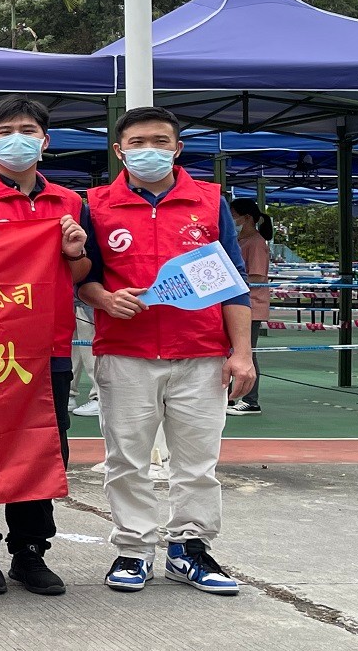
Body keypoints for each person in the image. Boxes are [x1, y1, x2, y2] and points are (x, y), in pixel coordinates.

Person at [78, 106, 256, 595]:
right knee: (126, 460)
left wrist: (242, 353)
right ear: (119, 151)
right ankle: (133, 550)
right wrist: (104, 299)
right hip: (125, 352)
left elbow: (233, 283)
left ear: (177, 148)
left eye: (160, 141)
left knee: (197, 462)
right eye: (137, 142)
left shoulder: (209, 201)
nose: (149, 150)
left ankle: (189, 549)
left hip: (201, 353)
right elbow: (82, 277)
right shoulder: (96, 205)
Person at [0, 95, 91, 596]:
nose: (18, 139)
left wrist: (73, 252)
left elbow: (82, 272)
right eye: (5, 131)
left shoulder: (70, 202)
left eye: (28, 130)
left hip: (46, 348)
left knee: (43, 447)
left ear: (45, 141)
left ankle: (30, 550)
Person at [227, 198, 272, 416]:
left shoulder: (256, 243)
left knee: (247, 352)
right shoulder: (239, 240)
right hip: (238, 303)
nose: (230, 219)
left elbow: (257, 276)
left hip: (251, 305)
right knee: (232, 351)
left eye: (233, 215)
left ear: (246, 218)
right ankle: (230, 397)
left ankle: (251, 400)